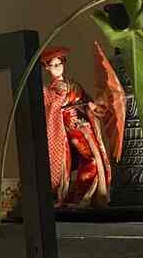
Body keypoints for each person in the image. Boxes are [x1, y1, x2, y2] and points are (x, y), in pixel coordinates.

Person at [41, 43, 125, 208]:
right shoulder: (52, 90)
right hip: (70, 128)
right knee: (91, 159)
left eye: (59, 64)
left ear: (63, 64)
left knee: (95, 157)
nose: (56, 68)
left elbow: (86, 102)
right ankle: (81, 196)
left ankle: (88, 195)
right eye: (52, 66)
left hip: (83, 124)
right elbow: (52, 107)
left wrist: (97, 105)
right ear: (47, 68)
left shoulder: (73, 84)